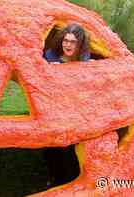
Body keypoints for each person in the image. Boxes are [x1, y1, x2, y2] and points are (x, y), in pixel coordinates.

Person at [43, 23, 90, 187]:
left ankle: (68, 182)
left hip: (74, 112)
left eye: (73, 42)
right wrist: (48, 70)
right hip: (52, 109)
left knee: (69, 150)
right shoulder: (50, 56)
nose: (67, 44)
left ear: (80, 44)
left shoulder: (85, 60)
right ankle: (54, 177)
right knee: (51, 148)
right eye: (65, 40)